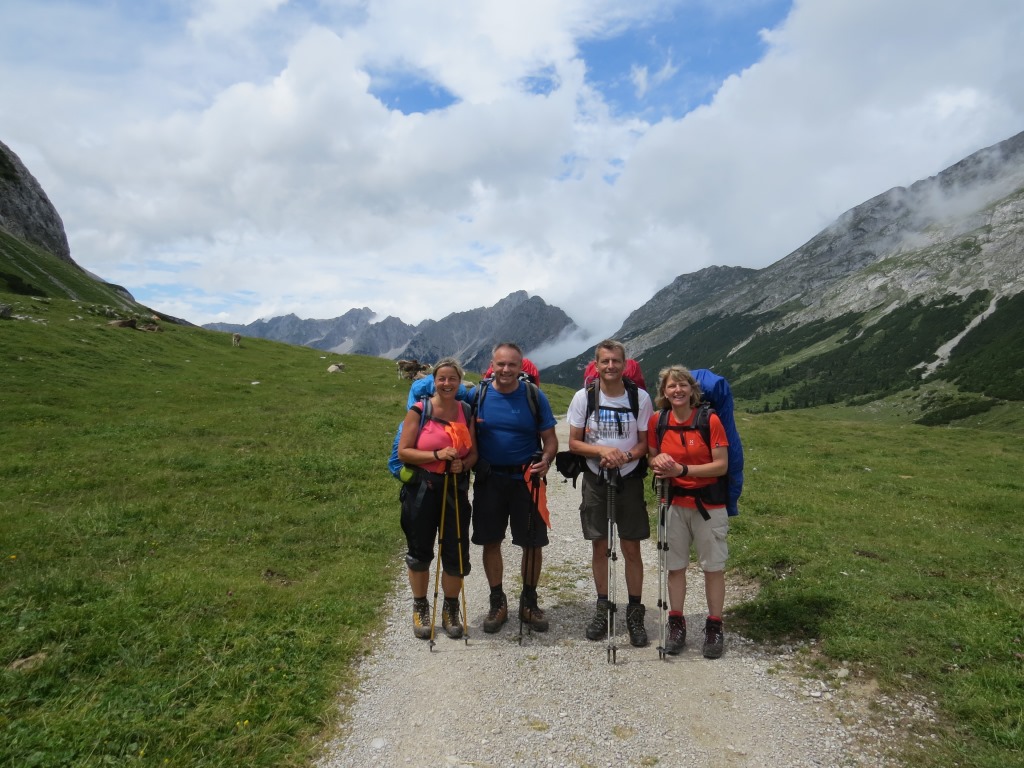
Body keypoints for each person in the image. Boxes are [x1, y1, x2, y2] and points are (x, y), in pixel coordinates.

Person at [567, 339, 654, 648]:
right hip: (596, 478)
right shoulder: (584, 397)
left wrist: (624, 457)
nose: (611, 366)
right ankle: (603, 606)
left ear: (625, 364)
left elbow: (644, 444)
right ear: (596, 364)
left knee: (631, 547)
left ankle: (635, 612)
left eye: (616, 361)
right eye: (605, 361)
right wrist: (603, 451)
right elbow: (574, 443)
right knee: (599, 545)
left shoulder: (640, 398)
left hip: (629, 478)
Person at [471, 342, 558, 634]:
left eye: (512, 364)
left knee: (532, 543)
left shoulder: (534, 396)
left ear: (521, 367)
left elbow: (550, 439)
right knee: (491, 540)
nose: (506, 369)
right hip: (489, 480)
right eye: (501, 364)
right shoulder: (478, 395)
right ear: (492, 366)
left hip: (526, 479)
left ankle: (529, 602)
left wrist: (546, 460)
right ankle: (497, 602)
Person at [647, 365, 730, 659]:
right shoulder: (658, 421)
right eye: (672, 386)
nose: (677, 390)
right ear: (664, 392)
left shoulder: (710, 420)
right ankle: (676, 624)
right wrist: (658, 462)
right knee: (675, 566)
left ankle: (714, 626)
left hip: (709, 505)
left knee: (713, 567)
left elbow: (721, 465)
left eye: (683, 385)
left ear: (692, 390)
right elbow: (652, 456)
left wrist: (682, 470)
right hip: (673, 503)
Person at [397, 357, 478, 640]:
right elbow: (404, 452)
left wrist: (463, 464)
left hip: (455, 489)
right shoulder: (419, 411)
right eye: (441, 378)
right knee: (419, 551)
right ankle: (420, 607)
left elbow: (474, 454)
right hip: (423, 489)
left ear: (459, 382)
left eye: (452, 378)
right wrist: (436, 455)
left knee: (456, 551)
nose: (446, 383)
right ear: (434, 381)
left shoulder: (465, 411)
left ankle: (450, 609)